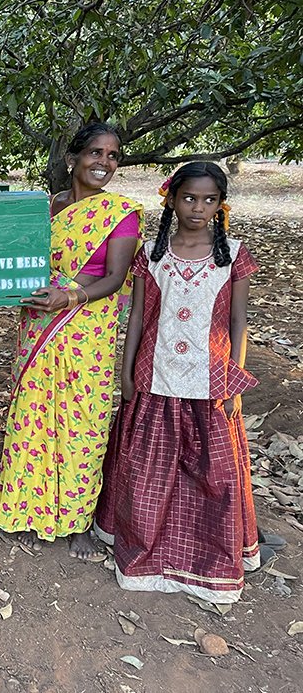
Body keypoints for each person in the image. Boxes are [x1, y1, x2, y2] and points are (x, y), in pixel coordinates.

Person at [94, 162, 262, 602]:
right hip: (157, 374)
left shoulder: (233, 254)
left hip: (211, 380)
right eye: (189, 198)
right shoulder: (152, 253)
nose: (198, 207)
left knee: (215, 473)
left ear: (221, 206)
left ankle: (208, 560)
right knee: (148, 470)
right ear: (171, 199)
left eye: (209, 200)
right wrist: (126, 371)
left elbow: (239, 321)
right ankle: (147, 551)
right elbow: (138, 316)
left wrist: (235, 384)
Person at [0, 122, 142, 558]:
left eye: (113, 155)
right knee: (33, 417)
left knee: (83, 425)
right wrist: (0, 292)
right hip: (39, 326)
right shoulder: (46, 207)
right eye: (95, 153)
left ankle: (77, 522)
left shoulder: (121, 213)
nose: (104, 162)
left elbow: (115, 278)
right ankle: (25, 510)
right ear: (71, 158)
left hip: (86, 335)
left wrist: (70, 295)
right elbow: (19, 260)